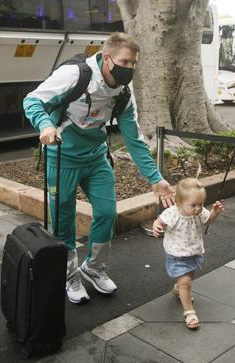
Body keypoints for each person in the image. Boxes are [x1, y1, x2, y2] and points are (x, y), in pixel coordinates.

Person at [23, 32, 175, 304]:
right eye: (125, 62)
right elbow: (32, 100)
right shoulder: (76, 75)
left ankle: (93, 267)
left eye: (133, 64)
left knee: (107, 213)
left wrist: (156, 178)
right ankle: (69, 273)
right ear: (107, 58)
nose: (129, 68)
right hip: (62, 158)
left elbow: (134, 139)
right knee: (63, 221)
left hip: (95, 158)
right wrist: (45, 125)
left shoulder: (124, 93)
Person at [152, 178, 224, 329]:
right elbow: (159, 221)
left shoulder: (199, 212)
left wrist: (214, 213)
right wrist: (157, 226)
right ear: (178, 202)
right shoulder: (173, 213)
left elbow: (208, 220)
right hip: (177, 255)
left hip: (194, 252)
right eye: (193, 205)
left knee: (190, 275)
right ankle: (189, 312)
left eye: (201, 204)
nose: (198, 208)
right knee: (186, 281)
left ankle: (179, 289)